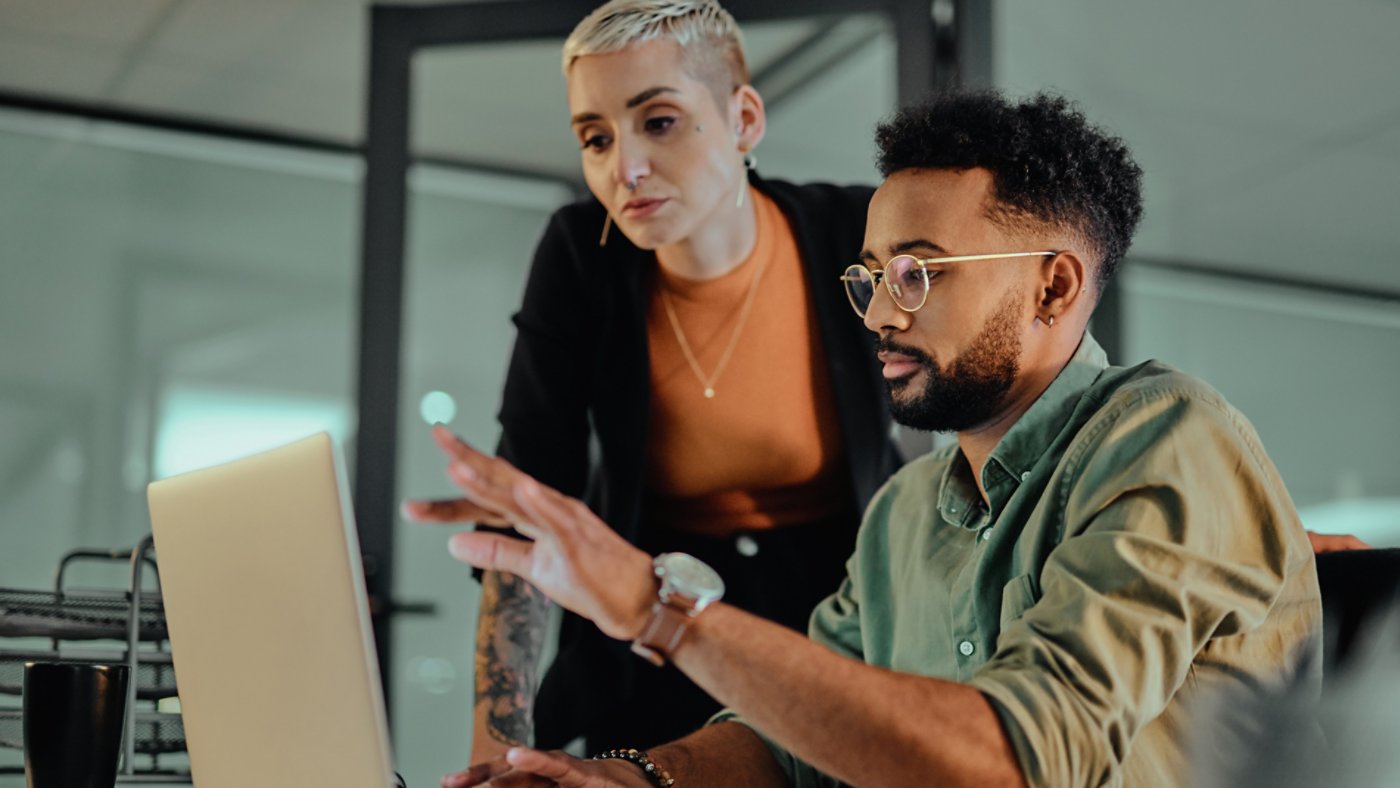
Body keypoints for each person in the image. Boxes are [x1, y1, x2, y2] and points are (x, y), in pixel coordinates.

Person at [429, 89, 1323, 787]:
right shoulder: (902, 512)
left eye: (918, 273)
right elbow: (790, 749)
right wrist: (634, 779)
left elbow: (1021, 762)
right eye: (868, 277)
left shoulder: (1168, 437)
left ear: (1053, 289)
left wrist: (659, 610)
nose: (882, 313)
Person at [401, 0, 901, 765]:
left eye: (658, 121)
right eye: (595, 138)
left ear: (744, 119)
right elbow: (528, 513)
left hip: (839, 623)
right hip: (652, 630)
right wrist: (496, 755)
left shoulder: (855, 234)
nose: (622, 168)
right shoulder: (581, 256)